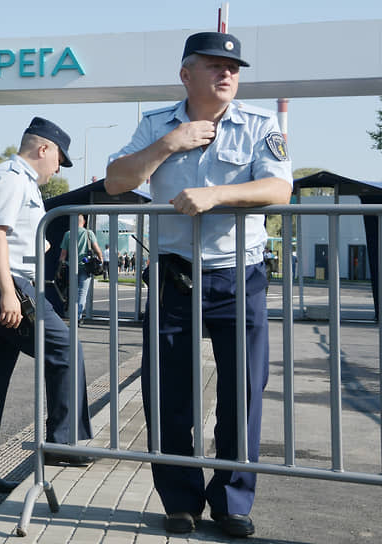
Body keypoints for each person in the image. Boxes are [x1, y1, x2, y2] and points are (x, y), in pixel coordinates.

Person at [105, 32, 292, 537]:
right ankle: (180, 500)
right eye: (214, 66)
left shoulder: (260, 124)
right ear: (186, 74)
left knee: (243, 392)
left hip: (240, 276)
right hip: (174, 276)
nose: (227, 73)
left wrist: (218, 196)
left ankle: (232, 502)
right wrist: (170, 143)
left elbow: (279, 186)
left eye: (233, 66)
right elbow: (116, 180)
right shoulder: (155, 124)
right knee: (167, 394)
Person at [0, 116, 93, 494]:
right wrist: (7, 291)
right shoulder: (12, 177)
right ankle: (62, 442)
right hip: (2, 283)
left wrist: (39, 248)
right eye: (59, 160)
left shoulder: (19, 182)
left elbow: (7, 233)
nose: (57, 169)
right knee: (65, 349)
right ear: (43, 148)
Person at [58, 214, 103, 323]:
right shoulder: (89, 233)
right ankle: (77, 317)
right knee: (82, 293)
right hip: (86, 267)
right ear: (83, 222)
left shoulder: (68, 234)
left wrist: (60, 269)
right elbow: (97, 250)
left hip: (71, 267)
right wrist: (100, 261)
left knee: (72, 292)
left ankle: (71, 313)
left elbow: (63, 255)